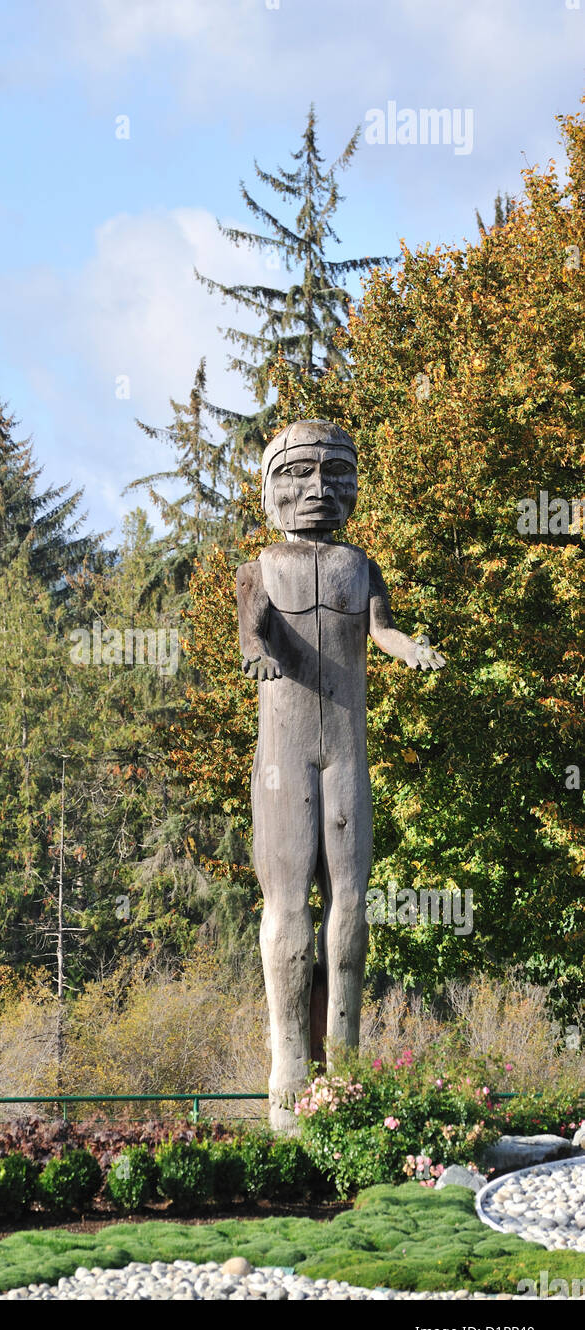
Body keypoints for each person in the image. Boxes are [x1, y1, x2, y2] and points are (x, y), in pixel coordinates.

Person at [236, 420, 444, 1131]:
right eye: (297, 472)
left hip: (346, 752)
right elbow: (251, 631)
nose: (318, 489)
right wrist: (258, 652)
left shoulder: (362, 566)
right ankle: (289, 1066)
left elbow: (379, 627)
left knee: (352, 899)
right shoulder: (259, 567)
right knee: (288, 901)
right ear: (269, 488)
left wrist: (405, 646)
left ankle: (348, 1067)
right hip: (284, 758)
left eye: (335, 472)